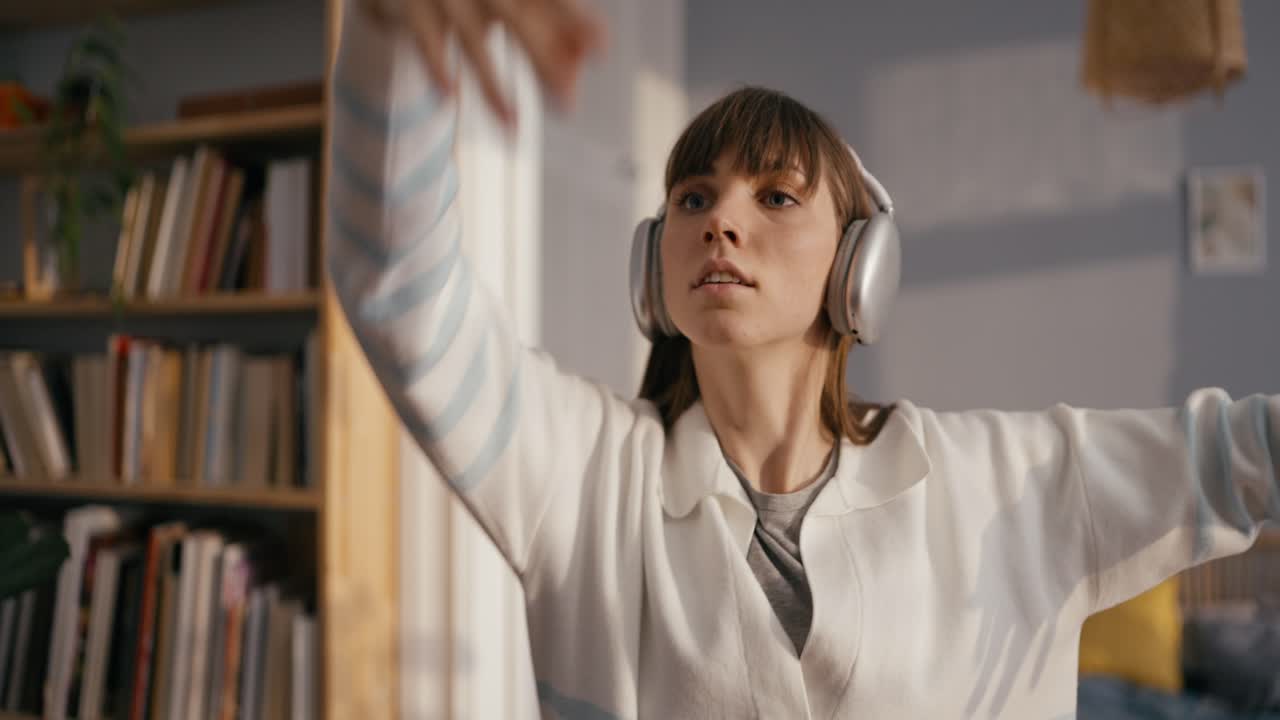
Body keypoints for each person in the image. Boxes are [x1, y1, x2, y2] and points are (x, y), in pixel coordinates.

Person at [327, 0, 1280, 716]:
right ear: (655, 262)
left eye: (775, 197)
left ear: (862, 267)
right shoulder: (578, 476)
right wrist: (389, 29)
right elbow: (399, 286)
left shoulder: (1013, 484)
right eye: (693, 198)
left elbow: (1249, 451)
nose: (721, 221)